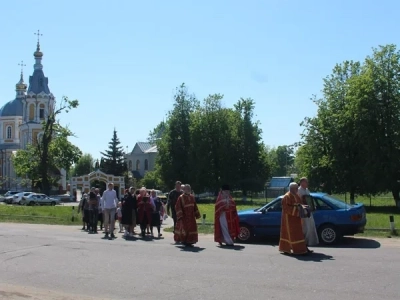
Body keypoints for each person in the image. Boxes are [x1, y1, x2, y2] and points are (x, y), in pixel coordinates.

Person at [279, 182, 309, 256]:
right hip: (289, 219)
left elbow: (300, 204)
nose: (297, 189)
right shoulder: (287, 196)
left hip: (296, 219)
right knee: (290, 234)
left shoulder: (297, 195)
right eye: (296, 188)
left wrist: (305, 208)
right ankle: (287, 249)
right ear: (292, 188)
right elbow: (286, 208)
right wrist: (297, 211)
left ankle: (301, 248)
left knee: (298, 234)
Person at [298, 177, 319, 251]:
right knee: (305, 229)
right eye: (306, 182)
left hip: (308, 212)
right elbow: (299, 202)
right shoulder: (299, 191)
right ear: (302, 183)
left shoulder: (307, 190)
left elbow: (309, 200)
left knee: (310, 228)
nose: (307, 183)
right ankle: (303, 246)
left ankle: (306, 245)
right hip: (303, 213)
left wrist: (313, 207)